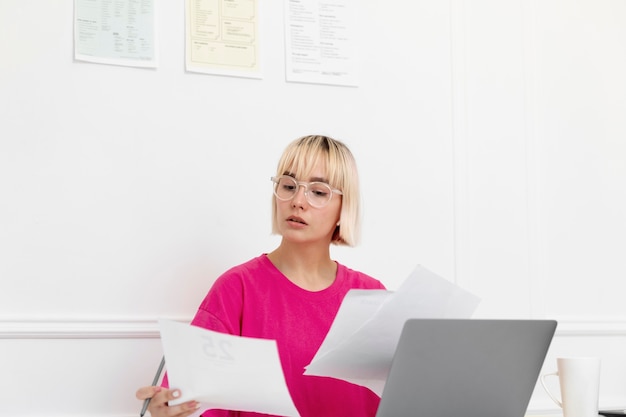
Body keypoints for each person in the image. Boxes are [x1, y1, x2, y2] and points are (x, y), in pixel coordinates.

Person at [136, 134, 385, 417]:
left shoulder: (372, 296)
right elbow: (189, 401)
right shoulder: (237, 289)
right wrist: (168, 411)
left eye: (318, 191)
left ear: (344, 206)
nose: (298, 201)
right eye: (288, 186)